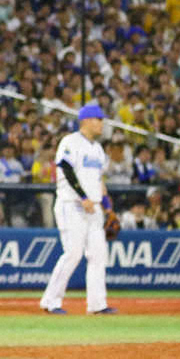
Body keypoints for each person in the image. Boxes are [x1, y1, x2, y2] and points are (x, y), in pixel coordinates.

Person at [39, 105, 117, 315]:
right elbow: (65, 168)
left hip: (94, 208)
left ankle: (97, 304)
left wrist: (108, 207)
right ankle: (50, 301)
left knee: (98, 255)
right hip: (71, 204)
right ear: (86, 120)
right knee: (73, 254)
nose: (101, 123)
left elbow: (99, 180)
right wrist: (82, 196)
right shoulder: (70, 141)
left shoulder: (98, 149)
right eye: (98, 119)